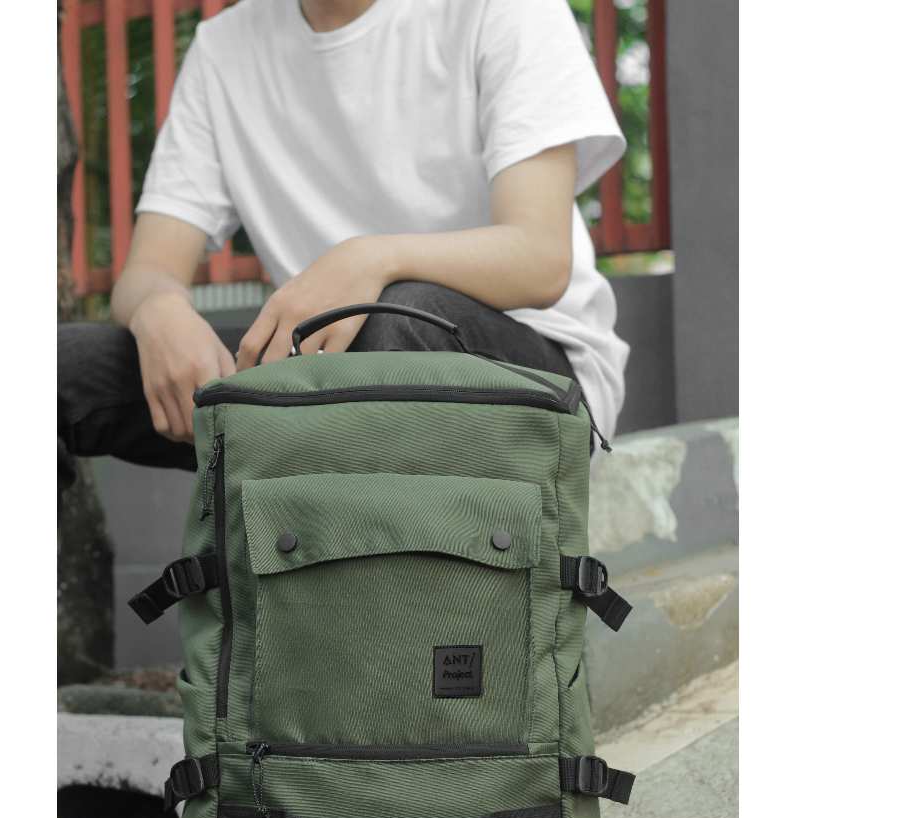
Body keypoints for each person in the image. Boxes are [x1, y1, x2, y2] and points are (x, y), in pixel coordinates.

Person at [58, 0, 628, 487]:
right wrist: (159, 312)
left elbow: (539, 259)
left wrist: (372, 260)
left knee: (394, 324)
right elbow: (148, 269)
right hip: (318, 369)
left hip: (534, 375)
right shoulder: (222, 50)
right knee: (58, 371)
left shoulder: (499, 7)